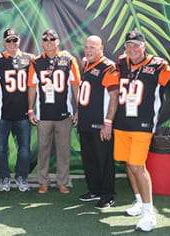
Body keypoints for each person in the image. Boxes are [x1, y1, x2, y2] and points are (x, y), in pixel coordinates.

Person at [113, 30, 170, 231]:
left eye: (135, 45)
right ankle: (139, 201)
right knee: (129, 165)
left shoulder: (158, 64)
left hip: (142, 125)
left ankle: (149, 212)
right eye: (128, 45)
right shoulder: (121, 62)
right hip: (121, 123)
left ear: (144, 45)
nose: (132, 49)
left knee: (138, 166)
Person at [28, 29, 80, 194]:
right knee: (43, 149)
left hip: (64, 113)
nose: (49, 41)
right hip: (43, 115)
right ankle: (43, 181)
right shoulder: (35, 62)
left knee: (63, 150)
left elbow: (76, 86)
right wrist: (30, 109)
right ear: (42, 43)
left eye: (52, 38)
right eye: (45, 39)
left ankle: (62, 182)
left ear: (58, 41)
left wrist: (79, 109)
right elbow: (31, 87)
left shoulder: (69, 60)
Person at [0, 29, 34, 192]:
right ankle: (4, 177)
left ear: (19, 41)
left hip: (23, 112)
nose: (12, 43)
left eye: (15, 40)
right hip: (3, 113)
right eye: (9, 41)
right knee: (0, 148)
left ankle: (21, 177)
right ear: (4, 42)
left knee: (24, 149)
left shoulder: (30, 59)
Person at [77, 35, 119, 209]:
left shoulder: (107, 67)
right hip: (86, 121)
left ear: (101, 48)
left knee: (104, 161)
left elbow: (114, 97)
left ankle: (108, 195)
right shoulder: (87, 64)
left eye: (92, 47)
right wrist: (79, 111)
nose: (88, 51)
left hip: (100, 124)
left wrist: (108, 122)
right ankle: (94, 190)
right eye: (87, 47)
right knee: (89, 159)